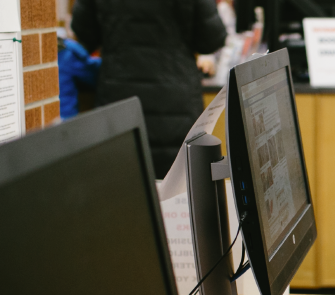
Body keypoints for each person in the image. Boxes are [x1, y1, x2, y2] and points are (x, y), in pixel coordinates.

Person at [71, 0, 227, 177]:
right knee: (177, 194)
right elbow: (212, 39)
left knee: (122, 191)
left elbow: (84, 31)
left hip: (119, 103)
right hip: (176, 103)